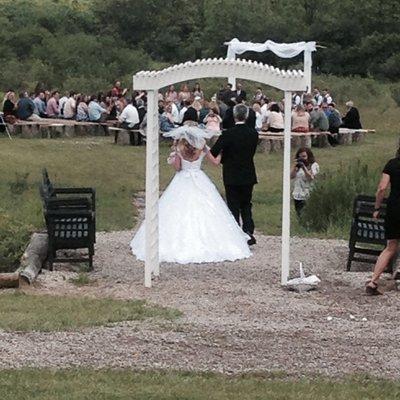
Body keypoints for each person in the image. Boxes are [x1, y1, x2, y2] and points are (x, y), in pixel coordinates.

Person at [130, 127, 251, 263]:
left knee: (175, 208)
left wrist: (175, 154)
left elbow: (178, 168)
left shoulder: (180, 149)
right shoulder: (202, 147)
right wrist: (222, 153)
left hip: (182, 179)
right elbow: (215, 162)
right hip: (199, 177)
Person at [211, 104, 259, 245]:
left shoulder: (228, 134)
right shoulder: (253, 134)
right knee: (246, 203)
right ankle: (248, 230)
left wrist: (224, 155)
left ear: (233, 115)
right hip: (248, 171)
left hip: (231, 172)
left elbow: (215, 151)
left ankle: (235, 231)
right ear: (247, 116)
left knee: (233, 204)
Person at [366, 144, 400, 295]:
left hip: (394, 208)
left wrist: (377, 208)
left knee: (390, 247)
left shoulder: (392, 164)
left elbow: (382, 188)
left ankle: (373, 281)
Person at [290, 147, 319, 216]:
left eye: (304, 156)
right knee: (299, 214)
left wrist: (304, 168)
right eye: (300, 157)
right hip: (298, 194)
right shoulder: (298, 166)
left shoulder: (314, 165)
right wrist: (295, 167)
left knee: (308, 214)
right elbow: (291, 176)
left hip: (308, 194)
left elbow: (310, 178)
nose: (302, 159)